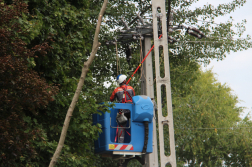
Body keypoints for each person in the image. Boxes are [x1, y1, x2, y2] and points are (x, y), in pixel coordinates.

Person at [110, 74, 135, 143]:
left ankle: (121, 143)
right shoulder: (131, 88)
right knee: (133, 125)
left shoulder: (116, 90)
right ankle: (134, 141)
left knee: (121, 128)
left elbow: (111, 99)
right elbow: (134, 98)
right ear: (124, 80)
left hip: (122, 112)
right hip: (131, 112)